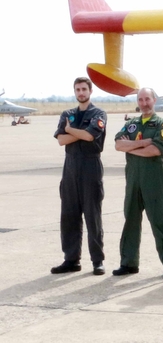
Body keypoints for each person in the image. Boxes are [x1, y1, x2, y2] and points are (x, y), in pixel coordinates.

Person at [113, 87, 163, 277]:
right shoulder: (131, 123)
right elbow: (118, 144)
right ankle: (128, 263)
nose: (144, 103)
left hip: (153, 179)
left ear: (154, 100)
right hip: (133, 179)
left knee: (160, 220)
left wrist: (130, 147)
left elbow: (156, 150)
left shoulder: (162, 125)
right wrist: (143, 142)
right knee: (131, 220)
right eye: (140, 99)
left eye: (147, 99)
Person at [51, 77, 107, 275]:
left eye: (84, 89)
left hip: (90, 165)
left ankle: (97, 261)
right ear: (74, 92)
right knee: (69, 215)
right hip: (70, 167)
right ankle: (71, 259)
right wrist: (78, 132)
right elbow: (61, 140)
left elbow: (91, 136)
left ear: (90, 91)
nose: (81, 92)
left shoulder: (98, 113)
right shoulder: (68, 114)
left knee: (93, 215)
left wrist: (70, 131)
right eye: (78, 89)